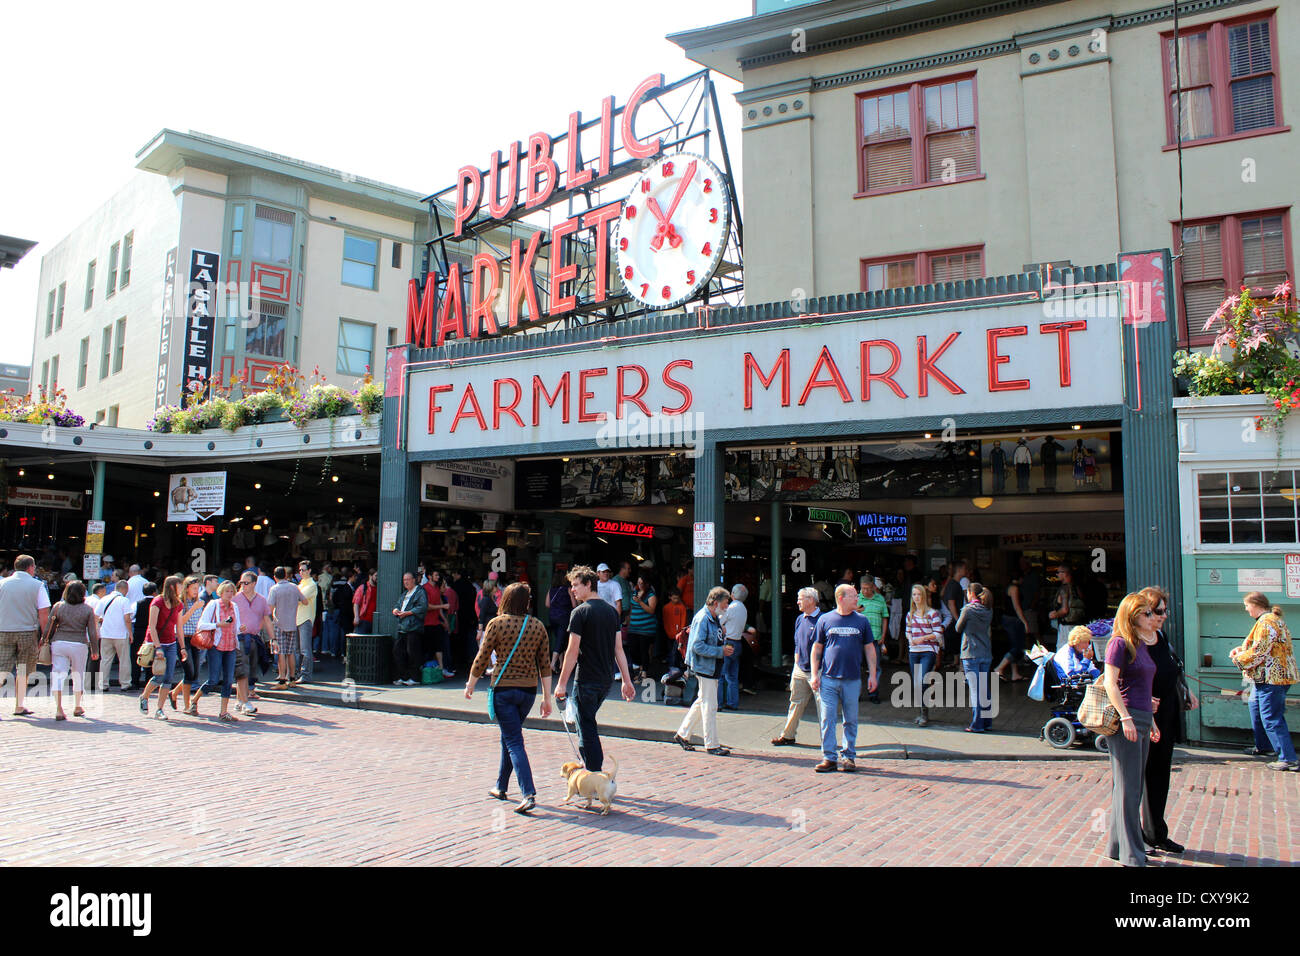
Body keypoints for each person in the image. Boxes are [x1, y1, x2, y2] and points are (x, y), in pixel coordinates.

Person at [466, 582, 553, 814]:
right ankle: (500, 786)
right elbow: (545, 665)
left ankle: (528, 793)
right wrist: (547, 697)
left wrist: (470, 684)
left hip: (504, 689)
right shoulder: (537, 626)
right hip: (527, 691)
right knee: (510, 736)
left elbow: (482, 657)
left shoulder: (497, 624)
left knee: (514, 741)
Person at [553, 565, 635, 773]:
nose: (573, 590)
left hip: (587, 678)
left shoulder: (579, 613)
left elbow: (572, 652)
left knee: (587, 725)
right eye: (572, 586)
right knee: (584, 721)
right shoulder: (611, 612)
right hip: (605, 679)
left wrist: (561, 684)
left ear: (589, 584)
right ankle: (587, 765)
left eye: (576, 585)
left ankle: (594, 772)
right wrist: (626, 680)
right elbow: (619, 649)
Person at [1102, 592, 1162, 867]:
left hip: (1142, 718)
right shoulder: (1119, 644)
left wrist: (1151, 721)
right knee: (1130, 788)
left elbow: (1143, 687)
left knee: (1126, 787)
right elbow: (1111, 684)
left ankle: (1118, 846)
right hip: (1127, 720)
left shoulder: (1141, 645)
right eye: (1147, 613)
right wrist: (1125, 718)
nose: (1153, 617)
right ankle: (1132, 853)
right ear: (1132, 616)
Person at [1137, 587, 1197, 854]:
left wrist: (1185, 690)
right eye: (1159, 611)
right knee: (1138, 776)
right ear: (1145, 611)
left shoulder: (1161, 636)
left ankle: (1156, 832)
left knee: (1160, 772)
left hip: (1168, 711)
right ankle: (1133, 835)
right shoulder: (1132, 640)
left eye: (1165, 610)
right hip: (1144, 715)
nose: (1163, 616)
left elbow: (1173, 667)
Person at [810, 583, 878, 773]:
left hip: (852, 678)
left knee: (850, 719)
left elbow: (869, 648)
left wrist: (873, 674)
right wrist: (815, 674)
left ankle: (849, 756)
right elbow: (817, 648)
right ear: (841, 598)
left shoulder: (862, 621)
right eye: (853, 596)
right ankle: (829, 757)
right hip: (829, 678)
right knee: (827, 718)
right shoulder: (825, 619)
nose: (857, 599)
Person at [1231, 591, 1298, 771]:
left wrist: (1238, 659)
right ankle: (1265, 746)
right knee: (1256, 707)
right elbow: (1264, 646)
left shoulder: (1267, 622)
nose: (1246, 609)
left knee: (1271, 717)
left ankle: (1288, 757)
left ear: (1255, 604)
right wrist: (1242, 649)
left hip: (1272, 678)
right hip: (1269, 677)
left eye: (1247, 605)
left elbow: (1260, 651)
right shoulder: (1270, 620)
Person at [672, 585, 733, 755]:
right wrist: (720, 651)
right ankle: (711, 744)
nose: (727, 606)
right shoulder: (704, 618)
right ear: (715, 602)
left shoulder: (711, 617)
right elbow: (697, 646)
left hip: (710, 666)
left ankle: (682, 734)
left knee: (702, 701)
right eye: (725, 603)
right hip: (705, 667)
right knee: (710, 705)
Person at [0, 554, 52, 717]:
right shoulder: (37, 585)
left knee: (1, 669)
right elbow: (44, 613)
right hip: (27, 632)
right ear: (30, 567)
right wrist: (45, 636)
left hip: (4, 630)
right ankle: (19, 705)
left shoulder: (2, 583)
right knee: (23, 670)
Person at [41, 580, 100, 720]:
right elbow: (92, 632)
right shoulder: (87, 609)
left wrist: (44, 641)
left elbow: (49, 626)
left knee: (58, 674)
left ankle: (59, 708)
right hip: (79, 644)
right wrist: (95, 649)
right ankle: (77, 706)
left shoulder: (58, 606)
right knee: (78, 674)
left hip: (59, 642)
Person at [772, 587, 822, 745]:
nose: (797, 601)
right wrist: (796, 663)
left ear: (811, 600)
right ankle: (788, 735)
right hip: (800, 668)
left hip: (818, 671)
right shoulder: (800, 619)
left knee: (824, 707)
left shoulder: (823, 620)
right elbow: (797, 644)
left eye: (800, 598)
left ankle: (827, 740)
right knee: (795, 702)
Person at [191, 581, 243, 722]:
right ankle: (194, 700)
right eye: (227, 591)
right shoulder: (213, 604)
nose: (230, 594)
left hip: (231, 645)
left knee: (228, 679)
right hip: (216, 645)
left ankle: (223, 712)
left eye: (232, 592)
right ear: (220, 592)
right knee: (213, 679)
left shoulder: (235, 606)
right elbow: (201, 624)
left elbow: (236, 627)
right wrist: (218, 625)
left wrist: (241, 629)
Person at [139, 575, 188, 721]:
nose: (182, 589)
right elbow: (152, 626)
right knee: (159, 675)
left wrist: (183, 647)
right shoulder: (158, 601)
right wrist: (158, 647)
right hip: (156, 642)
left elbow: (179, 627)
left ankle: (159, 709)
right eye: (180, 586)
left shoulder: (179, 604)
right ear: (172, 586)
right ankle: (145, 696)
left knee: (168, 677)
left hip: (171, 643)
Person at [227, 572, 271, 716]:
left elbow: (267, 620)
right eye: (241, 583)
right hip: (238, 638)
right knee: (242, 669)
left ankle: (240, 700)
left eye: (246, 583)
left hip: (254, 638)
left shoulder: (261, 600)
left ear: (253, 584)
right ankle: (245, 703)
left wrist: (273, 639)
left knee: (250, 670)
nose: (243, 586)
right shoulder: (235, 599)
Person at [956, 583, 994, 733]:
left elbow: (958, 628)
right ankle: (987, 722)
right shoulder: (988, 610)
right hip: (985, 651)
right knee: (984, 689)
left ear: (971, 594)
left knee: (975, 690)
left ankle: (977, 724)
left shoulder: (968, 610)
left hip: (970, 652)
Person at [904, 583, 944, 726]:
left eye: (919, 594)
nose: (916, 597)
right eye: (914, 594)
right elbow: (907, 631)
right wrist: (910, 639)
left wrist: (923, 638)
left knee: (923, 680)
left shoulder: (932, 613)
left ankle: (924, 713)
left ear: (924, 596)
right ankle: (921, 711)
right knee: (917, 683)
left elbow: (938, 632)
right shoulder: (910, 614)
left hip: (928, 650)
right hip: (914, 651)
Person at [167, 575, 208, 714]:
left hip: (195, 638)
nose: (196, 591)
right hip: (182, 639)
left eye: (198, 588)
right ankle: (187, 705)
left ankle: (174, 693)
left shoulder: (200, 602)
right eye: (194, 588)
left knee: (194, 673)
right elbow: (181, 622)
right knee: (189, 672)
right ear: (187, 589)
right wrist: (193, 608)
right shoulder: (181, 603)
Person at [269, 567, 307, 689]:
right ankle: (292, 679)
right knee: (290, 652)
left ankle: (282, 680)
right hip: (292, 622)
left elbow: (269, 608)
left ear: (275, 577)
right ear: (285, 575)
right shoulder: (294, 587)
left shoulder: (274, 589)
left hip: (279, 623)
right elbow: (305, 601)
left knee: (281, 652)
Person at [96, 580, 134, 692]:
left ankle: (103, 684)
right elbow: (127, 619)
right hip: (121, 634)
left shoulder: (104, 599)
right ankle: (125, 683)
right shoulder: (124, 600)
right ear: (124, 589)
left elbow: (96, 616)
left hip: (106, 634)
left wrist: (98, 630)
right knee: (124, 660)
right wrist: (130, 633)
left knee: (105, 660)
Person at [391, 571, 427, 686]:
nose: (405, 582)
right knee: (398, 651)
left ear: (414, 580)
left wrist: (408, 613)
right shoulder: (405, 593)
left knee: (413, 653)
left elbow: (422, 607)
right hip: (403, 627)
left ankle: (415, 677)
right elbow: (397, 604)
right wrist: (395, 610)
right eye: (404, 580)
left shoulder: (420, 592)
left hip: (413, 627)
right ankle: (403, 676)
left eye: (408, 579)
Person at [994, 569, 1031, 682]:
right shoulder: (1014, 589)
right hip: (1013, 619)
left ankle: (1015, 673)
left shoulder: (1009, 587)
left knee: (1013, 645)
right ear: (1020, 578)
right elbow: (1017, 607)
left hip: (1009, 619)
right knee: (1017, 646)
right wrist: (1025, 621)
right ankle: (999, 667)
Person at [857, 575, 888, 702]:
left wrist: (883, 636)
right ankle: (856, 694)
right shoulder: (856, 599)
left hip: (875, 638)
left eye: (868, 588)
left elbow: (885, 618)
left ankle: (873, 693)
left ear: (873, 587)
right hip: (858, 638)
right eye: (863, 588)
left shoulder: (880, 599)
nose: (865, 591)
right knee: (857, 666)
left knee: (875, 667)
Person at [627, 574, 658, 678]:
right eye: (638, 583)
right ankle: (640, 666)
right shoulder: (634, 593)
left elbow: (651, 610)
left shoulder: (651, 595)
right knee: (632, 649)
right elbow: (631, 609)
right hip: (633, 627)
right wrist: (628, 622)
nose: (640, 585)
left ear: (647, 584)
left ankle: (644, 671)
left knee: (643, 649)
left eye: (642, 583)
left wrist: (640, 602)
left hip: (646, 628)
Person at [1048, 564, 1084, 650]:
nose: (1057, 575)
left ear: (1065, 574)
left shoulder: (1064, 589)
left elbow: (1065, 610)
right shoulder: (1077, 588)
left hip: (1066, 627)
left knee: (1063, 652)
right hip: (1078, 625)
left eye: (1058, 572)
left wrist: (1053, 615)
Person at [545, 570, 574, 673]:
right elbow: (574, 605)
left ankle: (561, 664)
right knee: (561, 640)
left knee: (559, 639)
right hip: (564, 617)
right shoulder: (568, 589)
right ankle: (553, 663)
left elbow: (547, 604)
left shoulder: (551, 589)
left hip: (553, 617)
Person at [129, 582, 156, 690]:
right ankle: (149, 682)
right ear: (154, 592)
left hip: (139, 632)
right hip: (152, 632)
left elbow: (130, 616)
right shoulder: (156, 603)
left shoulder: (137, 603)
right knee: (151, 656)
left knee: (136, 656)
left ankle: (135, 681)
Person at [294, 560, 318, 684]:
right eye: (300, 570)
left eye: (303, 570)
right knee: (298, 649)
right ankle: (299, 673)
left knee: (305, 649)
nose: (301, 572)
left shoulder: (311, 585)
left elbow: (298, 598)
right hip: (297, 618)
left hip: (305, 619)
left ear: (309, 571)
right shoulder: (302, 583)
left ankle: (306, 674)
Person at [941, 560, 966, 668]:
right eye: (965, 568)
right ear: (959, 570)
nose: (966, 571)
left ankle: (956, 661)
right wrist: (958, 620)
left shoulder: (954, 584)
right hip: (954, 618)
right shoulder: (954, 585)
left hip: (954, 617)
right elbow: (951, 603)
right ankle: (960, 664)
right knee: (958, 640)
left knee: (956, 640)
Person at [661, 587, 688, 670]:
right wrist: (668, 632)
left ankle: (676, 667)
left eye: (677, 598)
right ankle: (672, 667)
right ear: (670, 597)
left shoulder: (682, 607)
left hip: (679, 635)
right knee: (671, 651)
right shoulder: (666, 607)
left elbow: (683, 621)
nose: (676, 600)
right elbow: (665, 621)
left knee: (678, 651)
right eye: (674, 598)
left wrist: (681, 632)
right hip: (670, 634)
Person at [352, 568, 377, 635]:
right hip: (364, 620)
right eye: (376, 575)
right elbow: (356, 603)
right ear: (370, 576)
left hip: (375, 621)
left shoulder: (379, 588)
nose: (378, 578)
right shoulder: (362, 588)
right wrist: (356, 617)